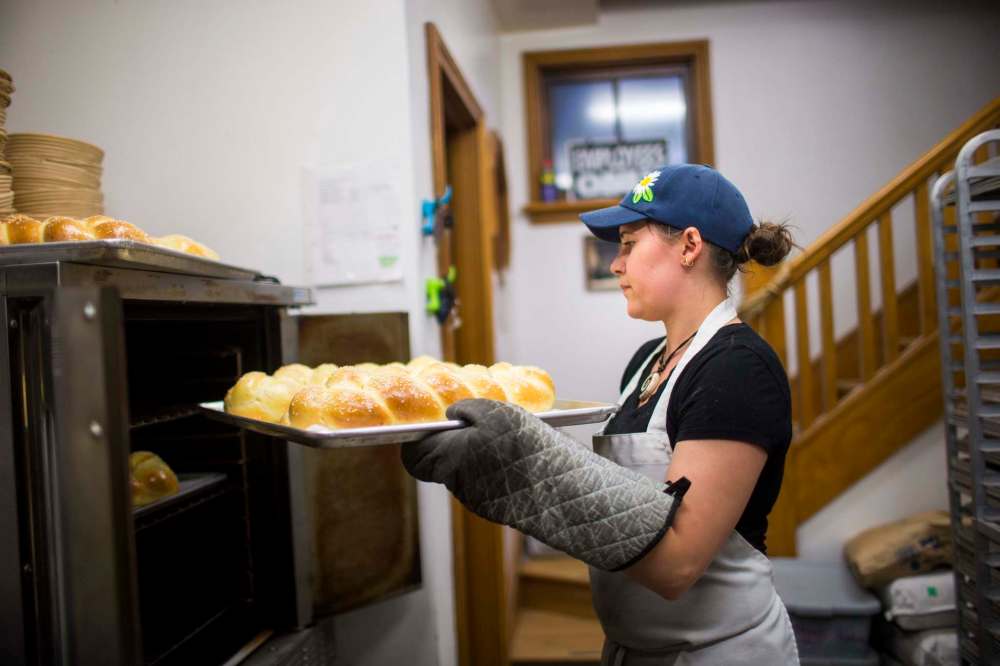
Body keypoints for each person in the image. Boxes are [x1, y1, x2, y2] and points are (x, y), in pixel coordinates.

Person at [402, 163, 799, 664]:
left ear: (689, 246)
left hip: (718, 652)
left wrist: (524, 474)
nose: (616, 263)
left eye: (630, 243)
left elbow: (677, 563)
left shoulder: (737, 371)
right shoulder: (646, 363)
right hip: (636, 648)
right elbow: (626, 504)